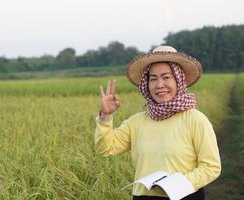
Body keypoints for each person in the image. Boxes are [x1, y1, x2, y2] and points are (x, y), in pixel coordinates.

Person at [94, 46, 221, 200]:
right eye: (153, 78)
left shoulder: (195, 120)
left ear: (179, 80)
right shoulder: (137, 122)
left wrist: (177, 185)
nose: (159, 85)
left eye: (166, 77)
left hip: (185, 195)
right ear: (146, 84)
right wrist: (105, 116)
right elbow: (106, 148)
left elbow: (211, 166)